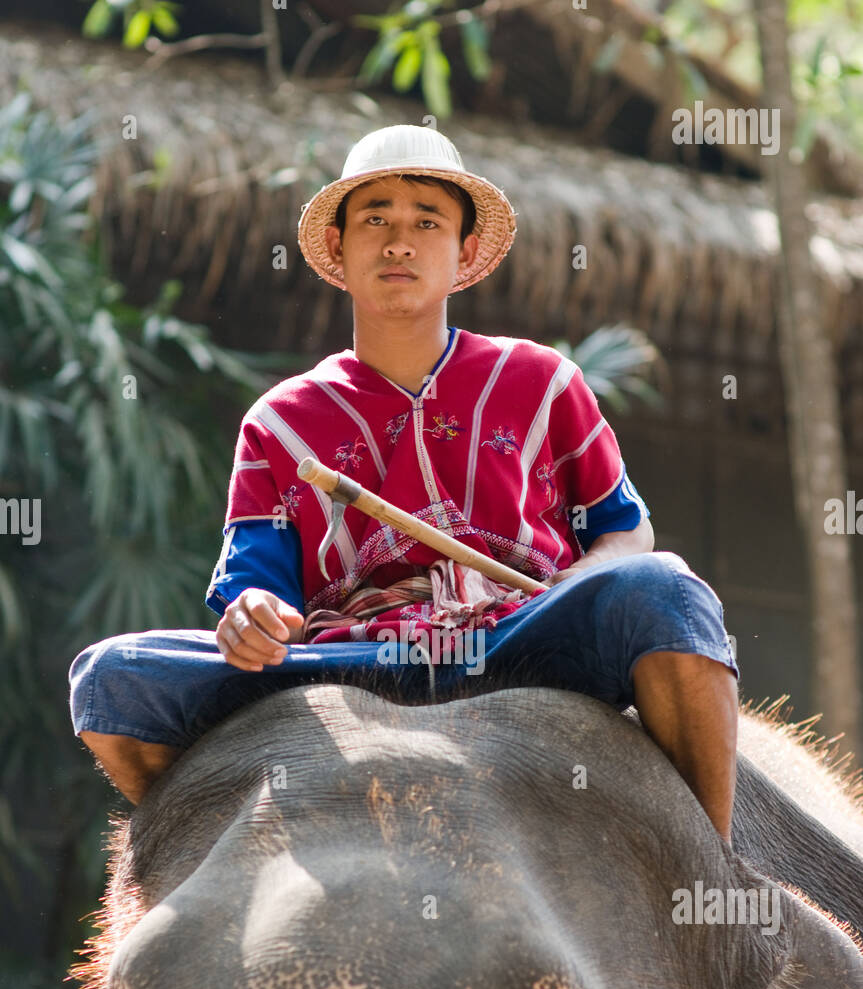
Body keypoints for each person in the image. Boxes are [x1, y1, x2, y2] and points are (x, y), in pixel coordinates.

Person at [69, 124, 739, 839]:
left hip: (515, 637)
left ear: (465, 254)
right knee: (112, 677)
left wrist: (581, 582)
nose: (398, 242)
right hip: (348, 657)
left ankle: (711, 859)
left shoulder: (542, 380)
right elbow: (258, 590)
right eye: (375, 220)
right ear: (340, 249)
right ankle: (219, 853)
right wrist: (253, 618)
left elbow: (625, 529)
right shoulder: (278, 422)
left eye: (427, 222)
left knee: (664, 589)